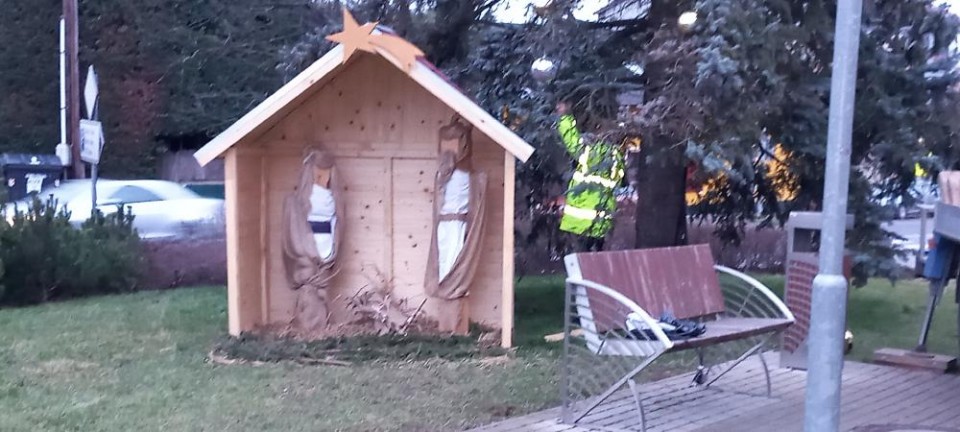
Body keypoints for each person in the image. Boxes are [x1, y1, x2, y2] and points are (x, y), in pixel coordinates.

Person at [555, 101, 625, 252]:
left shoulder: (591, 152)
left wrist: (564, 115)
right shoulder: (617, 156)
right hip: (601, 223)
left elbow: (571, 139)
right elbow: (619, 182)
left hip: (580, 222)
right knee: (595, 259)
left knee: (578, 260)